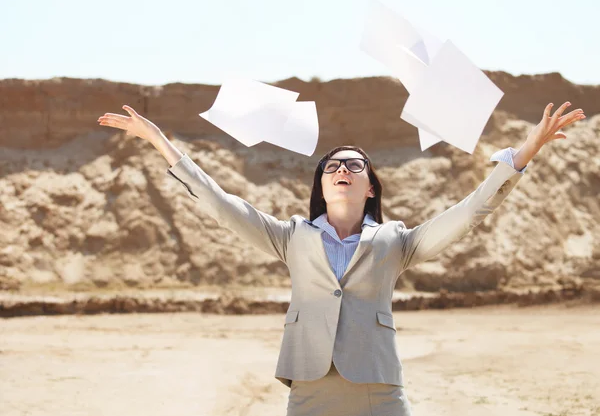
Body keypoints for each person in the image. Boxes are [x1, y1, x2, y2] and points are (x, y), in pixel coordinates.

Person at [98, 101, 585, 416]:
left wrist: (525, 151)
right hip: (310, 386)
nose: (342, 169)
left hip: (377, 387)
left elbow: (470, 211)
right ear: (322, 185)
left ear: (370, 185)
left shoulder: (396, 240)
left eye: (355, 165)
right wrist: (161, 143)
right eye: (332, 166)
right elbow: (222, 206)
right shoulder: (291, 236)